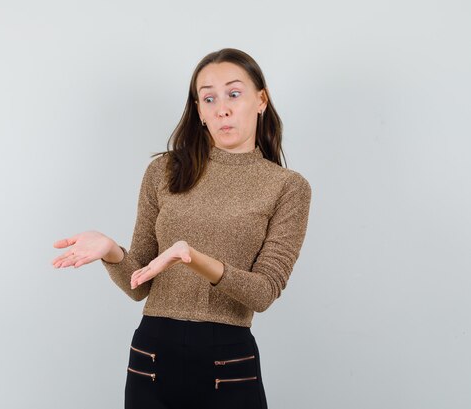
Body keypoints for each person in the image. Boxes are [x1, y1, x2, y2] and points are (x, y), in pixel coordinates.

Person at [52, 48, 312, 409]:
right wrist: (111, 252)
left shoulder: (287, 187)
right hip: (153, 355)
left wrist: (192, 258)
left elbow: (264, 292)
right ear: (200, 111)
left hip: (227, 360)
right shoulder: (164, 171)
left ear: (261, 100)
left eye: (234, 94)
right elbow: (139, 285)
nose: (222, 107)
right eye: (209, 98)